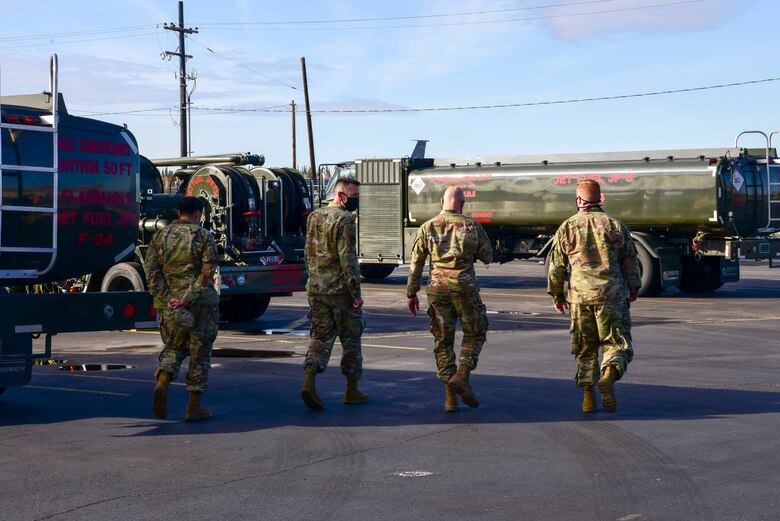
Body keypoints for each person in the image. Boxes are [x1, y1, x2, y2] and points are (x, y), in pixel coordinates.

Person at [547, 179, 641, 413]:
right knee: (616, 343)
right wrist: (634, 288)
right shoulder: (615, 225)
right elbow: (630, 260)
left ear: (578, 200)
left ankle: (588, 399)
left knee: (585, 349)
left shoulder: (566, 227)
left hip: (580, 299)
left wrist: (557, 296)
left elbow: (556, 267)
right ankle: (609, 374)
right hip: (612, 296)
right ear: (601, 198)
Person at [407, 186, 493, 412]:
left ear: (441, 201)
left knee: (443, 340)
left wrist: (411, 293)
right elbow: (488, 256)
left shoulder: (427, 227)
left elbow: (416, 263)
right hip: (465, 288)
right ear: (462, 204)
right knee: (475, 332)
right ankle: (462, 375)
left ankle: (450, 398)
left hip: (437, 290)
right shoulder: (472, 226)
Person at [145, 196, 220, 421]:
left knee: (173, 347)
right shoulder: (203, 235)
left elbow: (152, 273)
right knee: (200, 352)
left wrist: (169, 299)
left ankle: (163, 380)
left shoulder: (160, 236)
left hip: (171, 306)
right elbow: (208, 272)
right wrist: (188, 298)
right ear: (197, 214)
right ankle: (193, 406)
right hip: (201, 305)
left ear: (179, 213)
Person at [301, 177, 368, 409]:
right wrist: (356, 293)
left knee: (320, 337)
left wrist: (313, 280)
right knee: (351, 339)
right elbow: (348, 259)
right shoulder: (345, 220)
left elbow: (308, 253)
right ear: (340, 196)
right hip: (340, 291)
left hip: (317, 289)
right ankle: (352, 389)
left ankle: (309, 381)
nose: (356, 201)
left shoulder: (314, 216)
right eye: (354, 196)